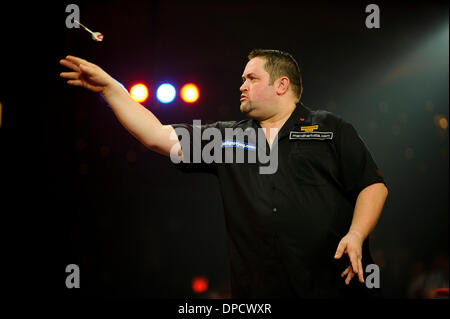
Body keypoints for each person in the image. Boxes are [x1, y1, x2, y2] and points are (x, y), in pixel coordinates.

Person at [60, 49, 388, 298]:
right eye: (243, 78)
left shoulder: (330, 128)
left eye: (252, 78)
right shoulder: (228, 136)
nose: (241, 85)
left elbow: (372, 185)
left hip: (333, 286)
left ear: (281, 84)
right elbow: (159, 136)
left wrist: (357, 234)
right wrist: (112, 89)